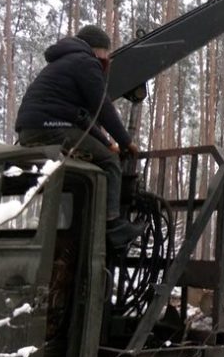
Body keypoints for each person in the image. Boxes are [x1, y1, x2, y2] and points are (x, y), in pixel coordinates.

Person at [15, 24, 144, 251]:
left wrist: (107, 143)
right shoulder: (86, 63)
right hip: (52, 129)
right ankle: (112, 226)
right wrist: (126, 143)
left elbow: (82, 118)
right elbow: (102, 108)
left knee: (101, 154)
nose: (108, 60)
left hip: (32, 129)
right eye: (107, 54)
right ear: (99, 49)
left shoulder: (64, 63)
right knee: (110, 162)